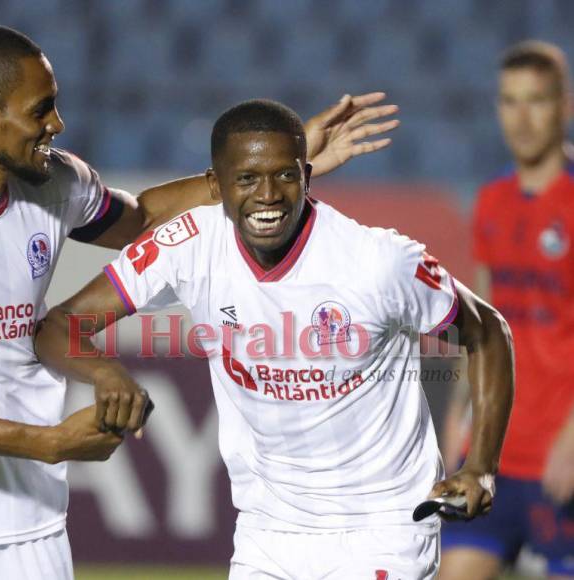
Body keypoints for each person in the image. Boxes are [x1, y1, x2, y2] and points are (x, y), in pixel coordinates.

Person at [0, 25, 400, 579]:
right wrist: (45, 443)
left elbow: (144, 219)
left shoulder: (54, 183)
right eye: (41, 108)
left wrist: (276, 171)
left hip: (25, 526)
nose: (57, 122)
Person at [35, 99, 515, 579]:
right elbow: (59, 326)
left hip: (382, 528)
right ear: (215, 185)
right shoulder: (186, 246)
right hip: (268, 531)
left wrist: (481, 468)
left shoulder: (378, 262)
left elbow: (489, 331)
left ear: (307, 176)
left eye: (284, 176)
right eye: (246, 179)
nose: (267, 195)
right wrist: (104, 372)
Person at [440, 41, 574, 580]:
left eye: (536, 100)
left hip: (559, 457)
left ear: (563, 107)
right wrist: (458, 414)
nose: (521, 118)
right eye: (509, 101)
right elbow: (482, 322)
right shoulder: (492, 201)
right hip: (493, 452)